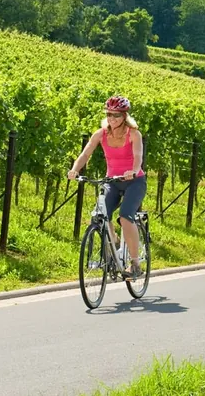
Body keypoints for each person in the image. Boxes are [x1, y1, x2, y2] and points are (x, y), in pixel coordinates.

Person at [68, 95, 146, 280]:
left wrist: (133, 171)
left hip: (134, 181)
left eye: (117, 115)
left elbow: (138, 157)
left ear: (124, 116)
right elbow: (86, 153)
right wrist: (74, 169)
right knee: (99, 215)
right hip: (112, 181)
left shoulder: (134, 134)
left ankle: (134, 264)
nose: (112, 118)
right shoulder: (101, 133)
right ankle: (115, 241)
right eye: (109, 114)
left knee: (125, 216)